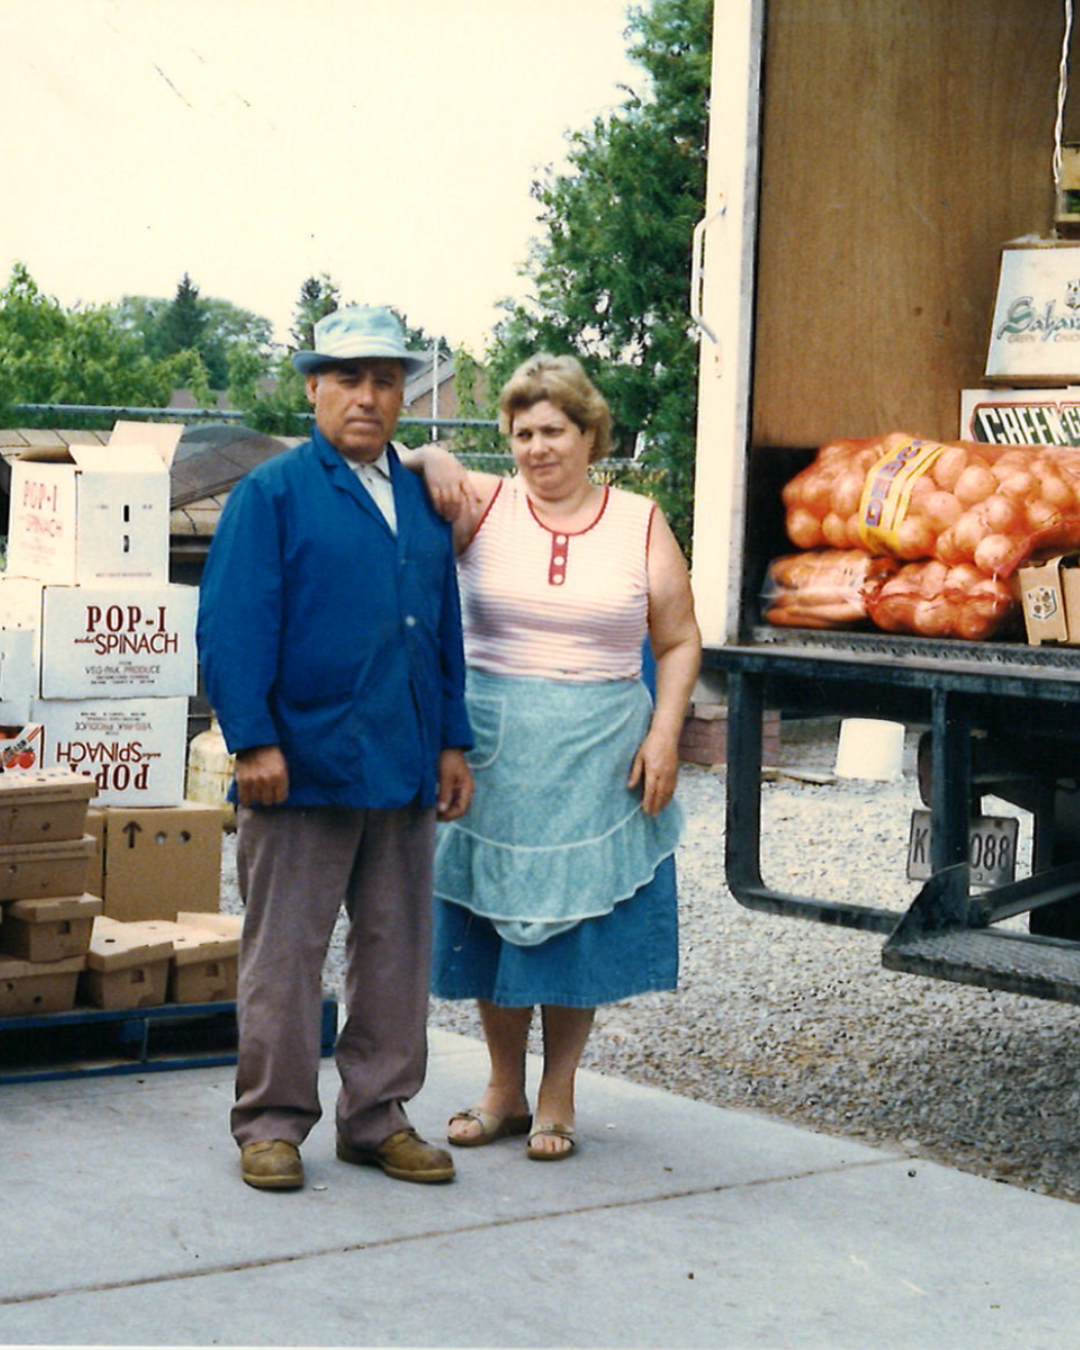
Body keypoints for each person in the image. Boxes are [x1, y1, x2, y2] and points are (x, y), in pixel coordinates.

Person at [196, 305, 473, 1191]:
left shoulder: (425, 503)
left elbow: (444, 632)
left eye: (386, 379)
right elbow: (233, 623)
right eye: (349, 378)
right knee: (285, 951)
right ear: (313, 387)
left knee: (396, 948)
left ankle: (378, 1115)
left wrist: (452, 743)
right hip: (301, 764)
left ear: (403, 394)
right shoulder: (272, 494)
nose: (368, 396)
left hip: (400, 761)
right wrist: (252, 741)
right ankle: (271, 1124)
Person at [419, 353, 701, 1161]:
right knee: (493, 918)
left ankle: (558, 1091)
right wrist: (434, 455)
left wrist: (666, 734)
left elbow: (679, 641)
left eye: (554, 431)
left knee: (576, 925)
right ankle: (503, 1086)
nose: (537, 448)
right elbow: (397, 465)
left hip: (601, 748)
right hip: (495, 746)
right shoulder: (483, 503)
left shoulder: (640, 518)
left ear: (589, 434)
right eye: (521, 433)